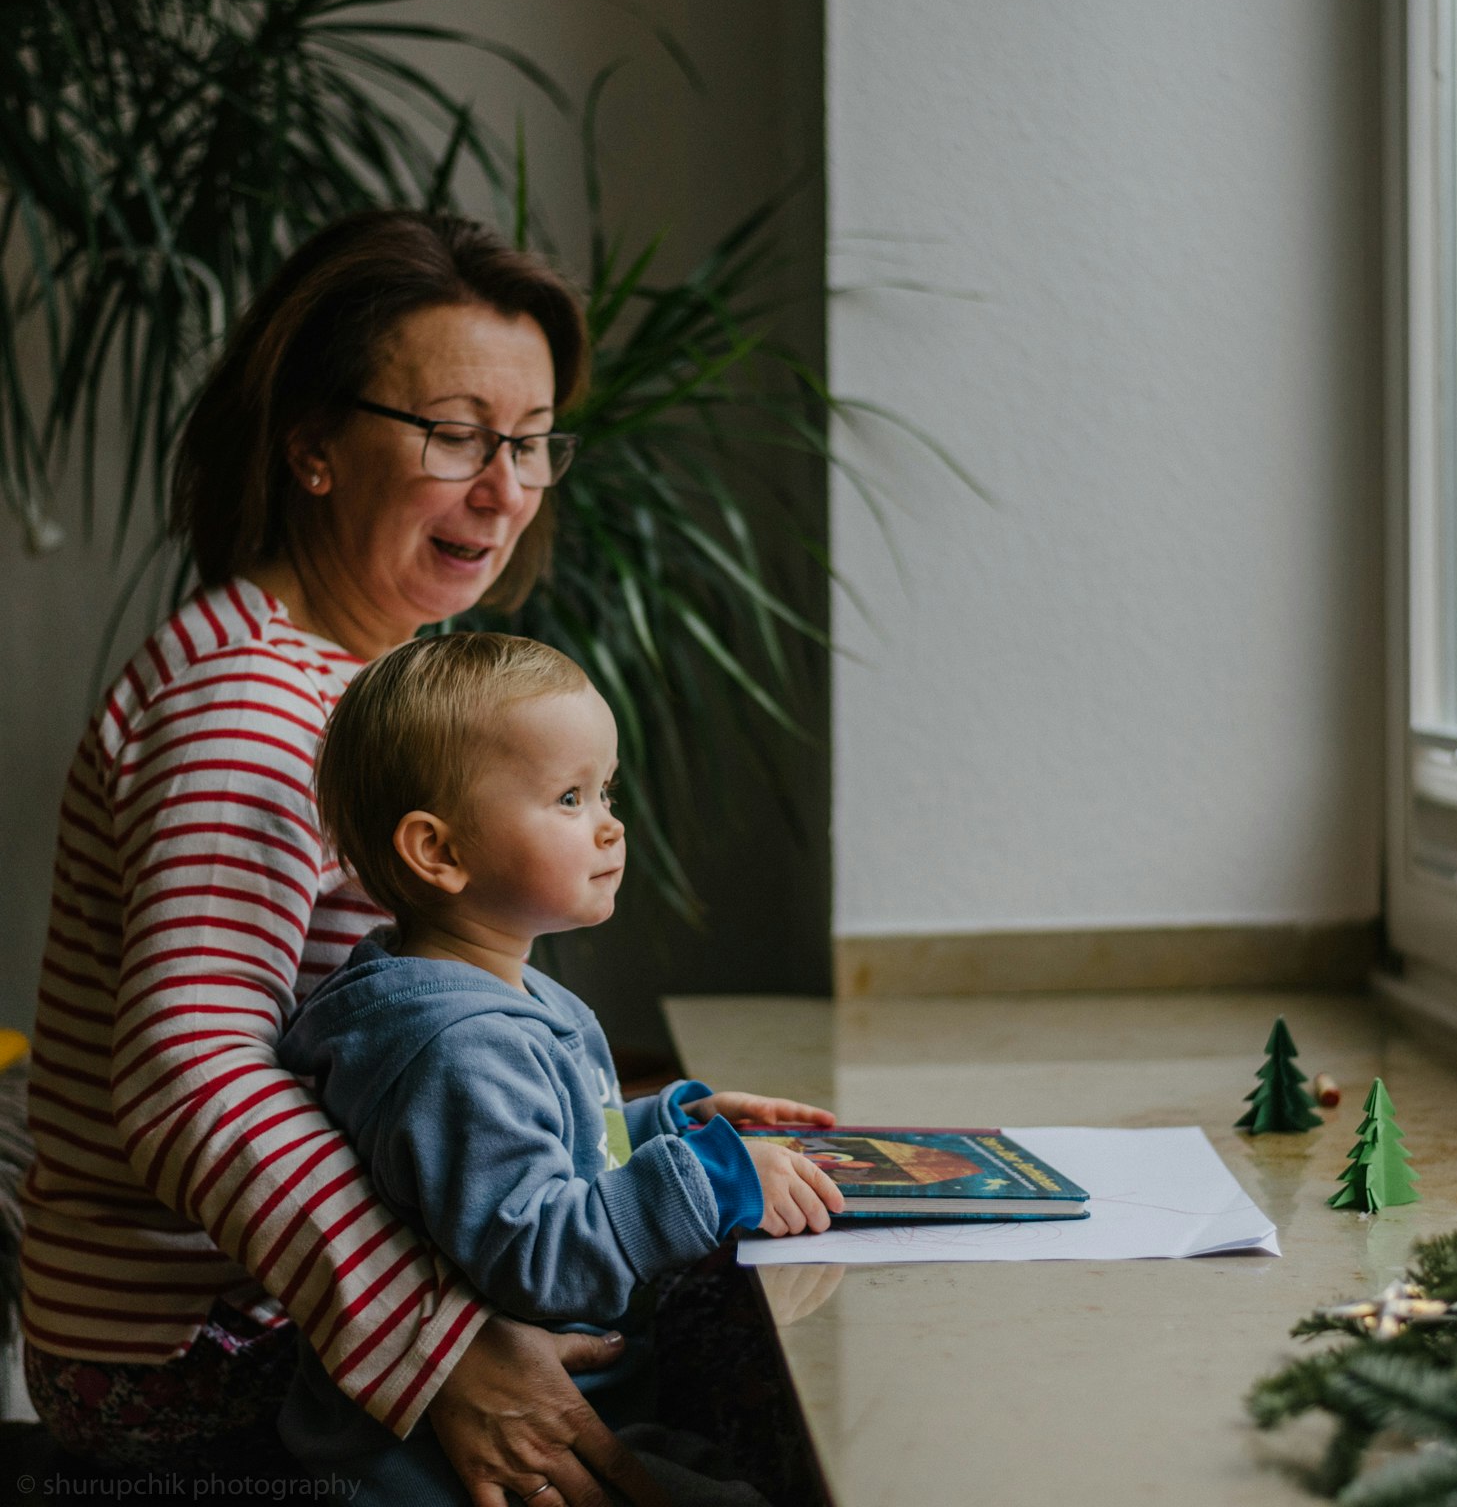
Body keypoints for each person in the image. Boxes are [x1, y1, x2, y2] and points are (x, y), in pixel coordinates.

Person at [21, 210, 675, 1504]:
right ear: (314, 447)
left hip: (275, 1318)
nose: (505, 489)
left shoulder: (362, 678)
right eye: (455, 435)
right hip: (192, 1354)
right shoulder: (252, 706)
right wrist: (441, 1355)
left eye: (532, 443)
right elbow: (186, 1074)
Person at [275, 631, 843, 1503]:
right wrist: (709, 1182)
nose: (612, 823)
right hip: (454, 1465)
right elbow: (534, 1250)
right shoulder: (458, 1047)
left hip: (582, 1396)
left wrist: (674, 1125)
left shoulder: (508, 997)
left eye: (604, 789)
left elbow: (569, 1145)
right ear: (440, 852)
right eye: (570, 797)